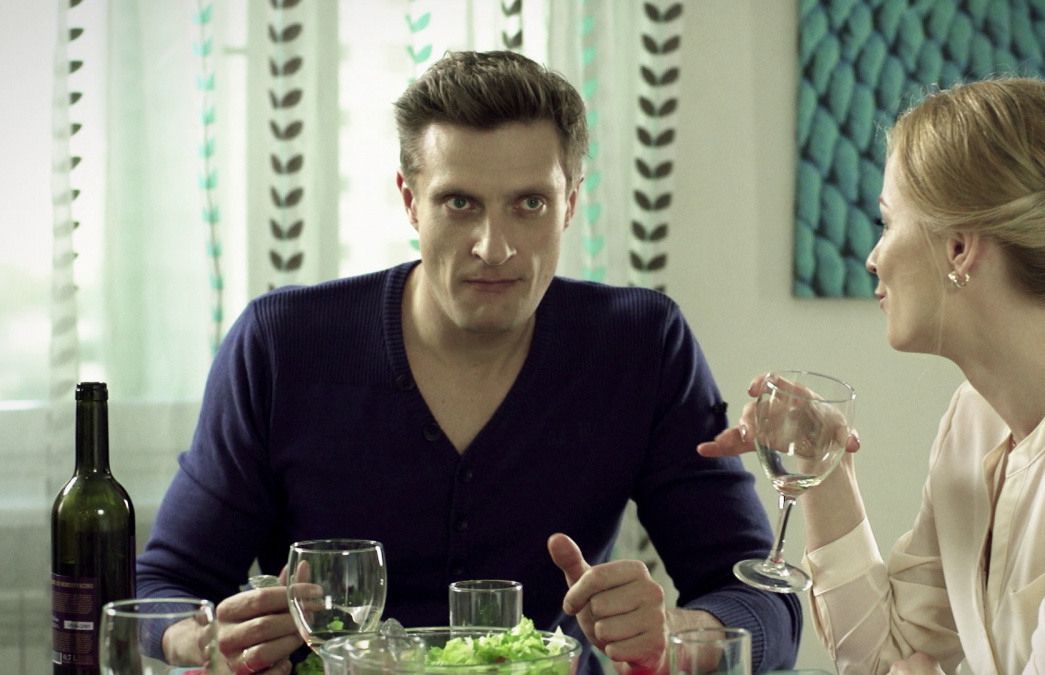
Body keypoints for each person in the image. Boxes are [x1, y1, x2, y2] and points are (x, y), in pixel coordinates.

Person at [138, 50, 801, 674]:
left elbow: (766, 603)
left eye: (529, 204)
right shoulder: (282, 342)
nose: (494, 247)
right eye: (460, 203)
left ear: (569, 203)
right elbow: (163, 586)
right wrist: (208, 636)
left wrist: (683, 631)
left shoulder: (640, 343)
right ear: (410, 201)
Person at [699, 77, 1045, 674]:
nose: (872, 257)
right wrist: (822, 467)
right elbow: (887, 657)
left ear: (959, 249)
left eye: (888, 223)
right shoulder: (975, 422)